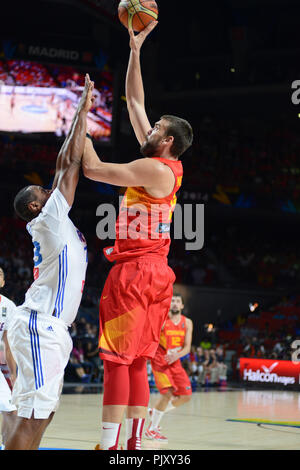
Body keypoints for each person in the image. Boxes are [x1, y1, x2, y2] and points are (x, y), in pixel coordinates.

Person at [82, 22, 193, 451]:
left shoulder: (152, 169)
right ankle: (129, 448)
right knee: (136, 366)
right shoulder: (166, 166)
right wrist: (135, 50)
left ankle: (109, 447)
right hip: (156, 274)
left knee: (115, 364)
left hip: (135, 273)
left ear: (165, 140)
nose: (145, 128)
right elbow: (135, 102)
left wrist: (83, 119)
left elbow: (93, 169)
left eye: (154, 128)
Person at [4, 74, 94, 450]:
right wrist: (81, 110)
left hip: (48, 327)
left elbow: (65, 167)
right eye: (45, 190)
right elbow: (68, 163)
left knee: (42, 413)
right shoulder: (49, 218)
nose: (51, 188)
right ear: (35, 205)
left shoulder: (54, 223)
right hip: (42, 325)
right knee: (34, 415)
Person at [145, 294, 193, 442]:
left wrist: (176, 355)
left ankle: (156, 411)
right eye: (172, 301)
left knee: (186, 396)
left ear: (182, 306)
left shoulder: (188, 322)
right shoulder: (162, 320)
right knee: (168, 393)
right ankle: (151, 430)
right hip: (160, 360)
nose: (175, 304)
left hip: (175, 360)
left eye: (178, 301)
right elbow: (151, 338)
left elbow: (187, 348)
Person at [0, 268, 17, 449]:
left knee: (11, 410)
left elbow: (7, 343)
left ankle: (6, 446)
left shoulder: (8, 306)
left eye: (0, 274)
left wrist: (13, 373)